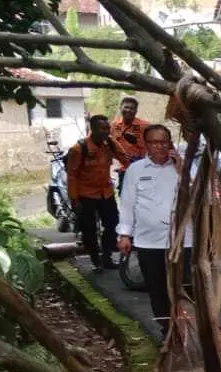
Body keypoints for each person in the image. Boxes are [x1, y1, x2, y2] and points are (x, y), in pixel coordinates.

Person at [116, 124, 190, 336]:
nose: (159, 146)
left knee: (185, 287)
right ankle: (167, 330)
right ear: (146, 145)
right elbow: (128, 203)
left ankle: (188, 329)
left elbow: (198, 198)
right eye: (154, 142)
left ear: (170, 143)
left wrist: (182, 170)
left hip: (183, 241)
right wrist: (125, 234)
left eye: (163, 142)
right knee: (157, 289)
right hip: (149, 241)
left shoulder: (183, 168)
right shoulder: (136, 170)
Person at [66, 115, 120, 270]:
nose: (107, 132)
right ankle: (95, 259)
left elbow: (125, 157)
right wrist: (74, 199)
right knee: (89, 229)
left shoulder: (109, 144)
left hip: (106, 192)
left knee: (113, 223)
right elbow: (72, 176)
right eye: (103, 128)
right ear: (93, 129)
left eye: (108, 128)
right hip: (85, 195)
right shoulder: (78, 149)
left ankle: (107, 256)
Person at [110, 96, 150, 187]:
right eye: (126, 107)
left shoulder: (145, 126)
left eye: (132, 108)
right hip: (123, 169)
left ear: (136, 111)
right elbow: (110, 146)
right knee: (124, 195)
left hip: (142, 168)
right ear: (120, 108)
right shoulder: (114, 126)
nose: (128, 110)